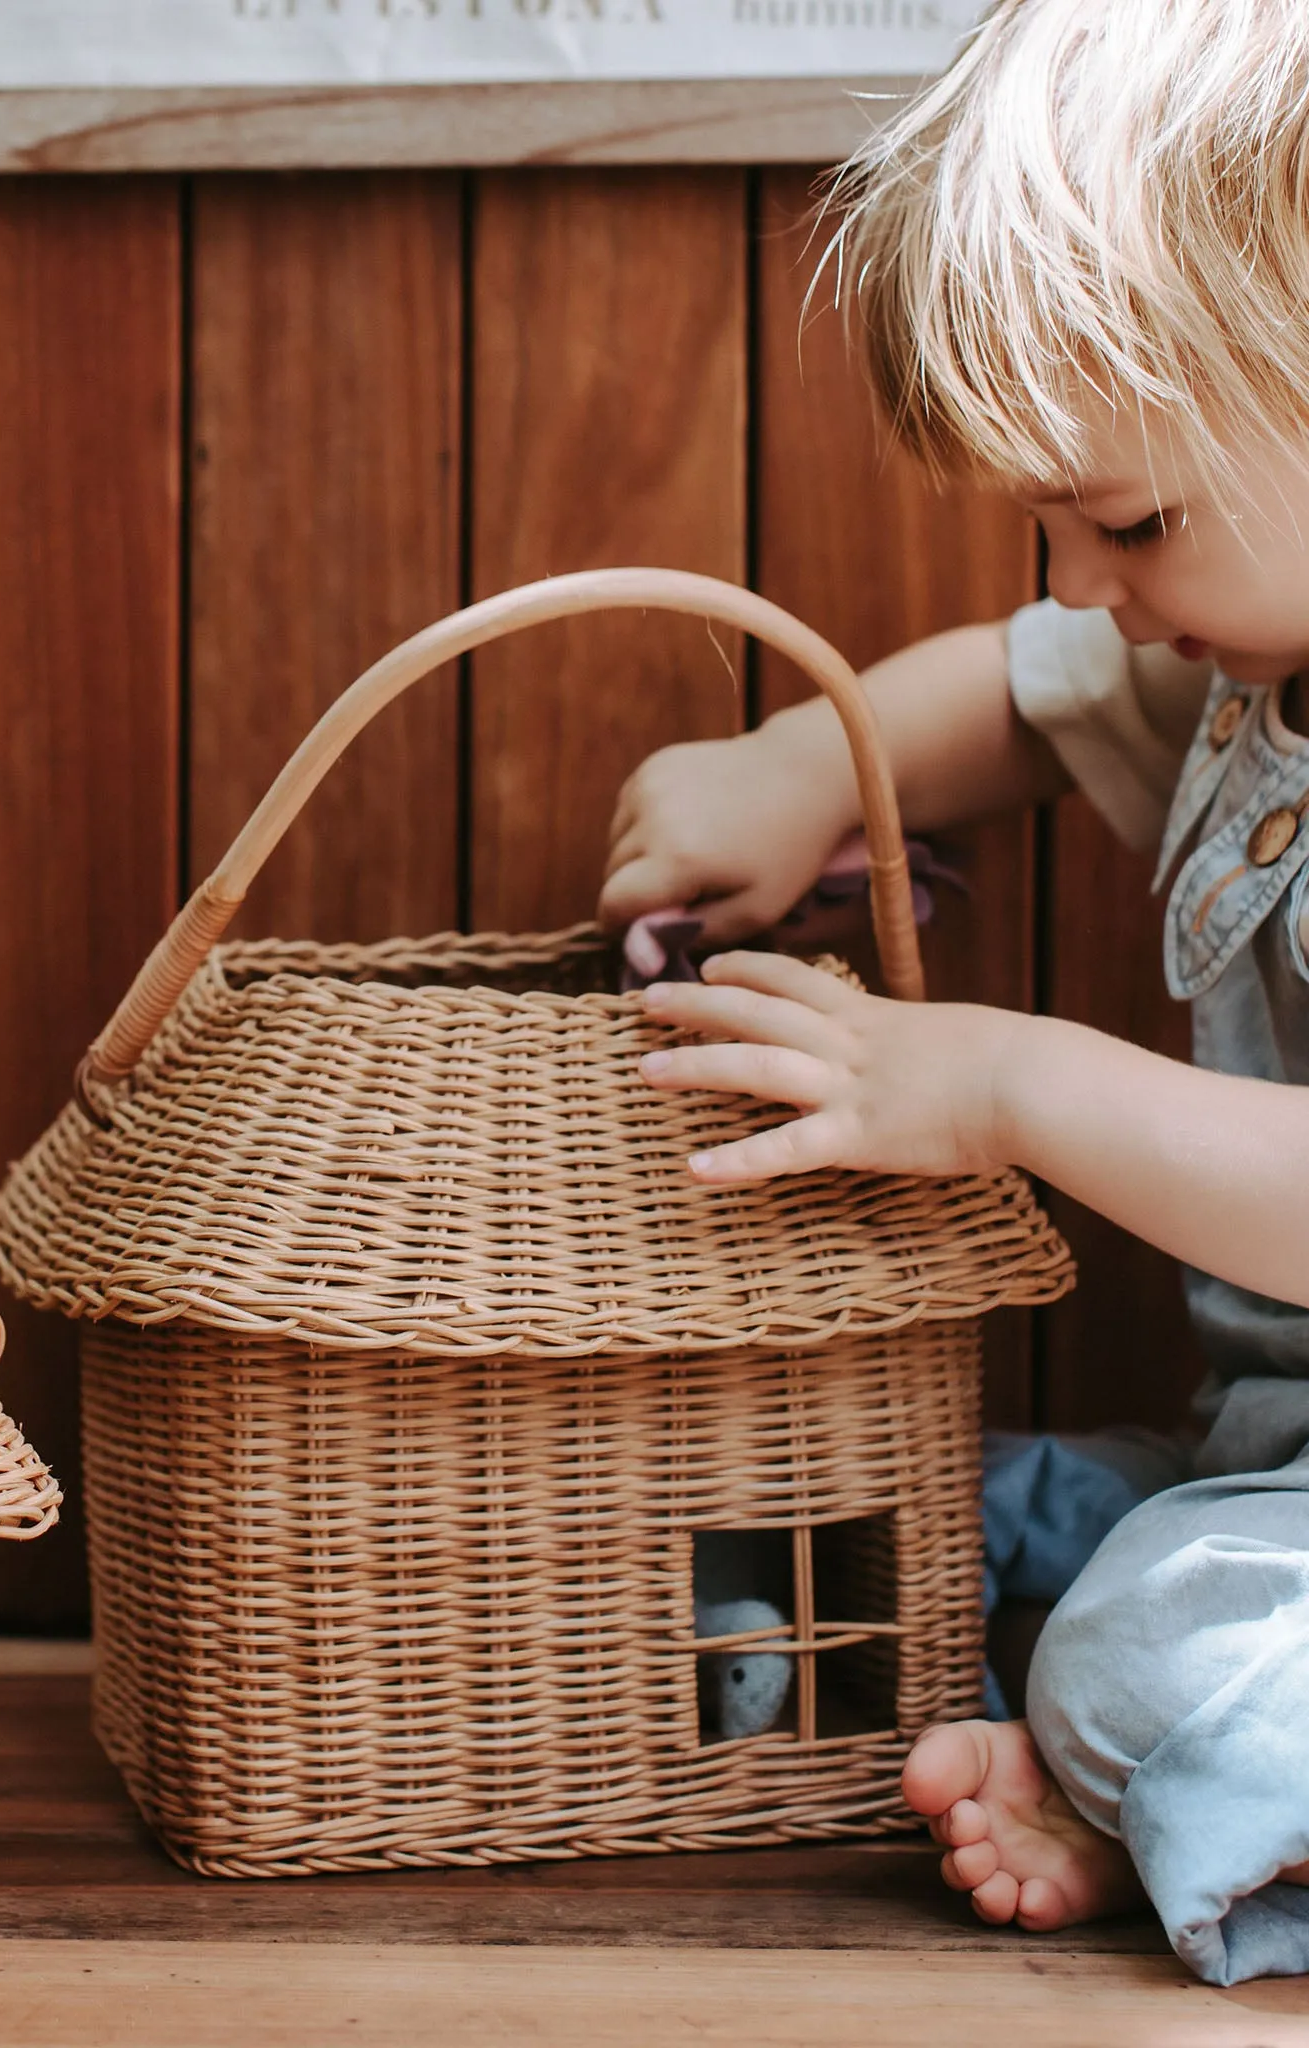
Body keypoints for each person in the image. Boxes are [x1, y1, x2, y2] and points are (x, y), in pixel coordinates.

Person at [597, 0, 1309, 1988]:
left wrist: (1002, 1085)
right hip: (1268, 1459)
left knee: (1148, 1646)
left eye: (1130, 518)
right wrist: (809, 769)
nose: (1081, 578)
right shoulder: (1249, 667)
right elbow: (1018, 687)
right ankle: (1145, 1768)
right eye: (1050, 523)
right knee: (942, 1510)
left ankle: (1151, 1773)